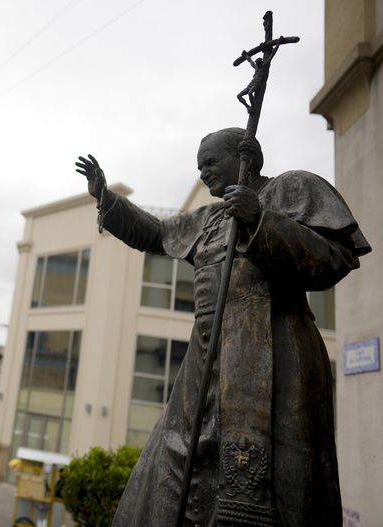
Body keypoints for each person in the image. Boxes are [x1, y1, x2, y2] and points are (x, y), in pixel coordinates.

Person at [77, 127, 370, 526]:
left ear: (246, 155)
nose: (203, 174)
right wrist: (107, 199)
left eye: (211, 163)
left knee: (280, 484)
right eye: (200, 167)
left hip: (275, 347)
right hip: (207, 358)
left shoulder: (292, 189)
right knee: (173, 464)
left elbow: (334, 258)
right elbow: (157, 234)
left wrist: (260, 220)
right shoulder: (209, 219)